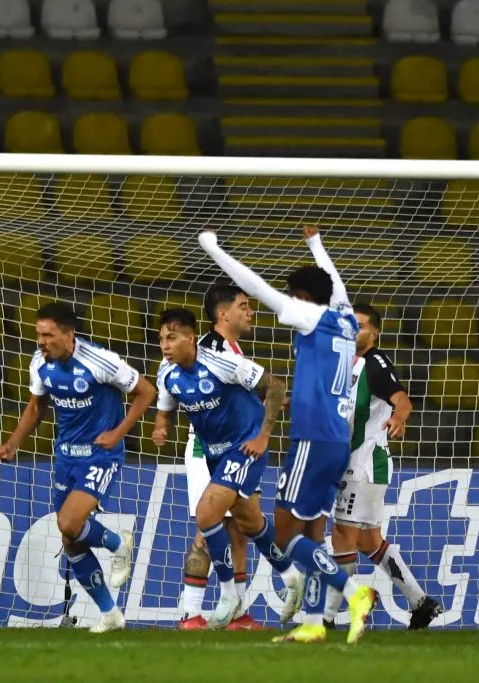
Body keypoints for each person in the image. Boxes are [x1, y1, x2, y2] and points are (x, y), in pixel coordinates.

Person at [199, 225, 377, 645]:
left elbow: (255, 287)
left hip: (311, 440)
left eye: (294, 294)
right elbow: (337, 283)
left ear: (301, 296)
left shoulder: (310, 315)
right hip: (337, 440)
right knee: (312, 533)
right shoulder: (345, 318)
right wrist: (316, 245)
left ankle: (354, 592)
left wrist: (213, 249)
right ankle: (313, 621)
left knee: (283, 535)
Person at [0, 301, 157, 632]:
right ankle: (110, 614)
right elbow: (36, 408)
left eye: (48, 335)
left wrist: (118, 433)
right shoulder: (40, 362)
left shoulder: (100, 361)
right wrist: (13, 443)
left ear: (69, 334)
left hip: (100, 455)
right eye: (39, 334)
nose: (41, 342)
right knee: (71, 540)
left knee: (69, 523)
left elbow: (146, 392)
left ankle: (118, 543)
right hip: (65, 457)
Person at [153, 308, 304, 628]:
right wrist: (161, 427)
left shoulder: (221, 361)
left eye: (172, 338)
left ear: (191, 338)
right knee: (249, 522)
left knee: (207, 515)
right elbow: (165, 409)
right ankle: (292, 576)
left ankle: (227, 596)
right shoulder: (166, 372)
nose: (165, 345)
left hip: (245, 447)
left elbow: (276, 388)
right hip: (213, 453)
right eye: (162, 339)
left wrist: (263, 437)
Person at [323, 303, 443, 630]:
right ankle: (421, 603)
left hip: (363, 464)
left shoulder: (375, 363)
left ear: (375, 332)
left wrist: (399, 418)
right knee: (369, 542)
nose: (354, 330)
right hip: (359, 463)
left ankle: (326, 618)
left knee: (342, 536)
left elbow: (402, 399)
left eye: (361, 325)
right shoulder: (344, 363)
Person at [178, 283, 264, 631]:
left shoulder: (232, 348)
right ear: (223, 314)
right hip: (208, 449)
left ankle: (238, 615)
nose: (251, 312)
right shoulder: (210, 350)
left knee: (240, 528)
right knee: (207, 527)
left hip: (236, 449)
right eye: (244, 306)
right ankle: (190, 614)